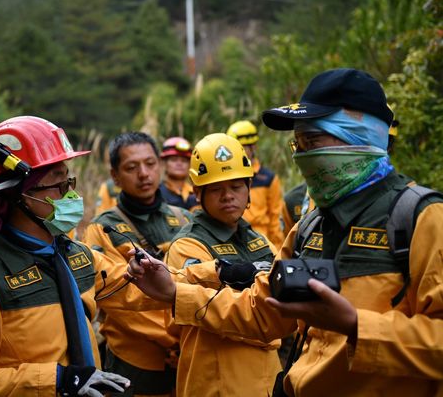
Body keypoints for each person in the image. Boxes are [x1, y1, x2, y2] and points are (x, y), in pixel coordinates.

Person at [126, 68, 443, 396]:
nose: (302, 156)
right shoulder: (311, 226)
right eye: (299, 143)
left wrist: (355, 326)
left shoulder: (421, 218)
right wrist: (174, 293)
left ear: (359, 136)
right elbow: (262, 310)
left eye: (313, 141)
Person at [0, 116, 151, 396]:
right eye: (60, 185)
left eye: (70, 181)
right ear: (21, 195)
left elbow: (136, 287)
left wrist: (213, 274)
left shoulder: (76, 256)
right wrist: (59, 380)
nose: (72, 195)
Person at [165, 133, 281, 396]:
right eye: (216, 189)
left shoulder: (259, 241)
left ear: (249, 187)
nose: (228, 196)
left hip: (268, 377)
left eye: (236, 186)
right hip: (217, 380)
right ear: (197, 193)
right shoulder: (188, 245)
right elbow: (209, 307)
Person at [82, 132, 191, 397]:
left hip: (185, 357)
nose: (144, 174)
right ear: (115, 176)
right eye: (132, 167)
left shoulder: (185, 219)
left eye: (151, 164)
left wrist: (184, 343)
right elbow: (117, 298)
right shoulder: (103, 228)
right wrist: (170, 340)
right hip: (135, 364)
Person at [281, 112, 399, 236]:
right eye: (301, 144)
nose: (300, 154)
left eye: (311, 142)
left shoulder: (409, 209)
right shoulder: (308, 217)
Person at [226, 120, 285, 249]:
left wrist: (278, 252)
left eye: (241, 147)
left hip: (262, 242)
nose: (236, 152)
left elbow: (275, 217)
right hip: (231, 241)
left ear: (253, 147)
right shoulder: (225, 177)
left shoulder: (268, 178)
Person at [158, 137, 198, 211]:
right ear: (164, 163)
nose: (179, 164)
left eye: (184, 161)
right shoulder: (156, 193)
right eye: (174, 160)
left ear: (190, 165)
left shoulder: (197, 194)